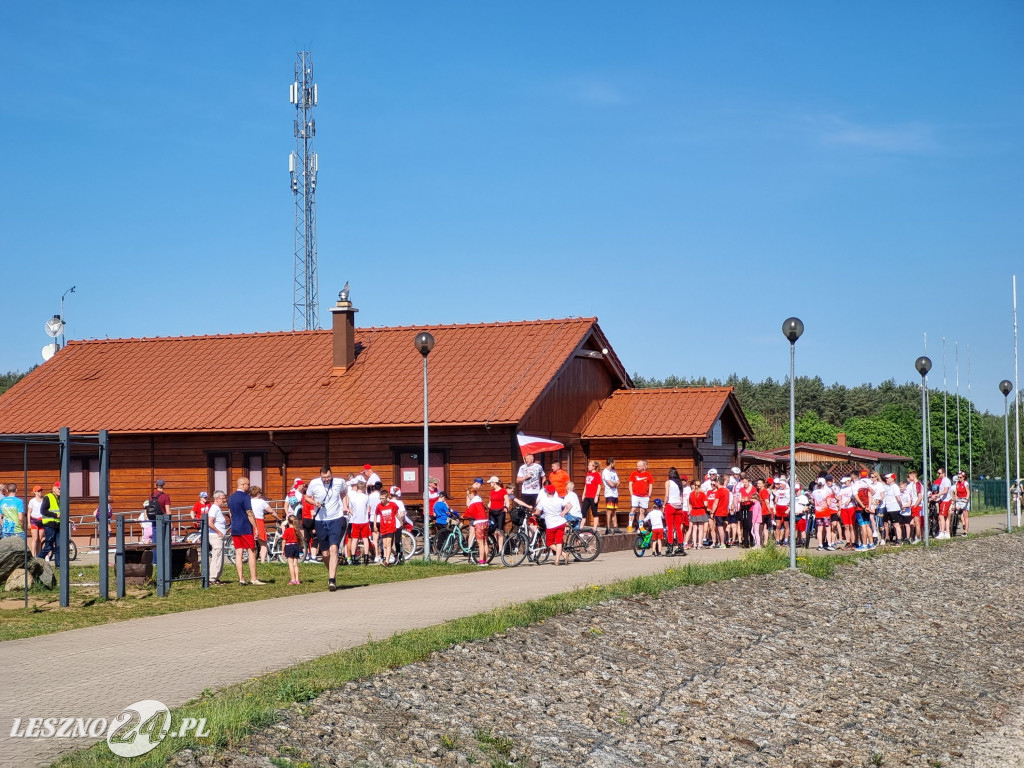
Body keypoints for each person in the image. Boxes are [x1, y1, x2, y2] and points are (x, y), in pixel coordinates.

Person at [305, 465, 350, 590]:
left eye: (328, 477)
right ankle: (331, 569)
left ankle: (332, 580)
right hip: (320, 520)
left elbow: (344, 493)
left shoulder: (339, 482)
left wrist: (344, 506)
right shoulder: (314, 483)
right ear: (320, 476)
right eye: (324, 477)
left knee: (334, 549)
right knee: (325, 553)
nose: (326, 479)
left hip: (335, 519)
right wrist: (315, 503)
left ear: (332, 475)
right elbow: (307, 497)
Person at [228, 477, 263, 585]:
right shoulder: (245, 497)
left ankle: (241, 579)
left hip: (235, 527)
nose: (248, 486)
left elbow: (230, 513)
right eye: (248, 484)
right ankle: (253, 578)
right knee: (252, 552)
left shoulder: (231, 498)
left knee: (239, 553)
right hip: (245, 527)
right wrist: (256, 527)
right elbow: (249, 513)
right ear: (243, 485)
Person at [535, 484, 569, 565]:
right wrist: (563, 512)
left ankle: (563, 554)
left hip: (550, 524)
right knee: (559, 542)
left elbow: (537, 512)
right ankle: (557, 560)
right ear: (554, 492)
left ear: (547, 492)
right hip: (561, 522)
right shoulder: (559, 500)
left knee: (549, 543)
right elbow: (569, 506)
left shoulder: (543, 501)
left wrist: (536, 514)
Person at [346, 481, 372, 566]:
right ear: (364, 488)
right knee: (365, 538)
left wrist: (354, 514)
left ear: (357, 487)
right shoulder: (366, 497)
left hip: (355, 521)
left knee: (354, 539)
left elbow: (350, 509)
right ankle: (366, 557)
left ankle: (353, 556)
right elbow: (368, 509)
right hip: (364, 521)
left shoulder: (352, 497)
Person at [249, 485, 277, 563]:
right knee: (263, 543)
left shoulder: (248, 501)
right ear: (258, 493)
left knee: (251, 543)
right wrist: (278, 518)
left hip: (250, 521)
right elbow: (271, 511)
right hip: (259, 522)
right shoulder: (261, 502)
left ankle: (252, 560)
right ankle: (262, 561)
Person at [465, 486, 490, 565]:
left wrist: (463, 516)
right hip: (486, 522)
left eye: (468, 495)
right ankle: (485, 561)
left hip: (479, 523)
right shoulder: (480, 501)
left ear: (472, 493)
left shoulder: (474, 502)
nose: (468, 496)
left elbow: (469, 512)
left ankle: (481, 561)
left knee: (480, 543)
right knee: (485, 542)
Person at [207, 491, 229, 584]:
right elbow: (210, 522)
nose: (224, 500)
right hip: (215, 536)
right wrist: (218, 532)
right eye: (222, 498)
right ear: (217, 499)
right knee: (217, 556)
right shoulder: (214, 509)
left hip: (219, 536)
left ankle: (216, 577)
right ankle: (212, 578)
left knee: (220, 557)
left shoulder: (217, 509)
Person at [663, 468, 685, 556]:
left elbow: (667, 495)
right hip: (679, 506)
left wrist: (664, 505)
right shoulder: (679, 483)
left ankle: (670, 547)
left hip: (670, 505)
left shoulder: (668, 482)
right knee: (678, 528)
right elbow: (681, 497)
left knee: (670, 528)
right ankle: (680, 547)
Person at [38, 481, 62, 564]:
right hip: (49, 525)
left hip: (59, 525)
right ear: (54, 489)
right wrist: (55, 515)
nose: (60, 490)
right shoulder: (48, 497)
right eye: (59, 489)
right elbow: (43, 511)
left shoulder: (61, 498)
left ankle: (58, 566)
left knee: (59, 546)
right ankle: (37, 561)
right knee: (49, 546)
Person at [627, 460, 654, 533]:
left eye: (639, 465)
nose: (637, 467)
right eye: (637, 465)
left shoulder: (648, 474)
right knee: (633, 509)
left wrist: (649, 494)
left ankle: (641, 527)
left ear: (643, 466)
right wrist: (631, 493)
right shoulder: (634, 473)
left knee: (642, 511)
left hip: (645, 496)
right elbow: (630, 483)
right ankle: (630, 525)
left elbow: (651, 484)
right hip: (635, 495)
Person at [377, 489, 399, 566]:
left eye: (383, 498)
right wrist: (374, 525)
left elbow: (396, 513)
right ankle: (396, 554)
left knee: (389, 544)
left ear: (387, 497)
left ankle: (386, 561)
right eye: (380, 498)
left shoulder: (392, 505)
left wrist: (401, 521)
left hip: (391, 526)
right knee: (385, 544)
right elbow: (376, 514)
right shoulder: (379, 506)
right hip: (383, 526)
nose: (381, 500)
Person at [930, 468, 953, 540]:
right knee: (945, 517)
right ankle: (947, 533)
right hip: (943, 500)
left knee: (941, 516)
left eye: (939, 473)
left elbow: (945, 491)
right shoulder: (943, 480)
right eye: (938, 473)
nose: (938, 474)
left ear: (943, 473)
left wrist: (938, 495)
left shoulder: (946, 480)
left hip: (946, 501)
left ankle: (942, 532)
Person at [282, 513, 303, 584]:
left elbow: (284, 541)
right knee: (295, 565)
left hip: (289, 546)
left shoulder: (287, 530)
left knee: (290, 565)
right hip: (296, 546)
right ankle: (297, 579)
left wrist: (282, 549)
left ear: (288, 522)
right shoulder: (297, 530)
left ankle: (293, 579)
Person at [581, 461, 602, 528]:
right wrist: (583, 494)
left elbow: (599, 486)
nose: (588, 466)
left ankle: (594, 528)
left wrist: (597, 496)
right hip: (587, 495)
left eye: (590, 465)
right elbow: (586, 485)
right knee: (583, 511)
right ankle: (581, 528)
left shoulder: (597, 475)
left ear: (594, 467)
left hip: (593, 496)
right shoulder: (588, 473)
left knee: (594, 512)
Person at [601, 458, 619, 533]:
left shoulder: (614, 471)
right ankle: (608, 528)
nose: (615, 464)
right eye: (614, 463)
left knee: (614, 511)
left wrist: (615, 484)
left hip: (615, 494)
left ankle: (615, 527)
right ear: (611, 463)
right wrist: (614, 484)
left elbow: (618, 482)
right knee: (609, 511)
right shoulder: (605, 472)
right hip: (609, 494)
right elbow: (611, 484)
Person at [28, 485, 44, 556]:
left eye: (41, 490)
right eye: (38, 491)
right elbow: (29, 512)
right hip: (34, 520)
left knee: (40, 539)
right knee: (35, 539)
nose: (40, 492)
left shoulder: (43, 500)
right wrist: (29, 523)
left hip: (42, 520)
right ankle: (33, 555)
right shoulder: (32, 501)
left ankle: (38, 555)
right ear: (35, 492)